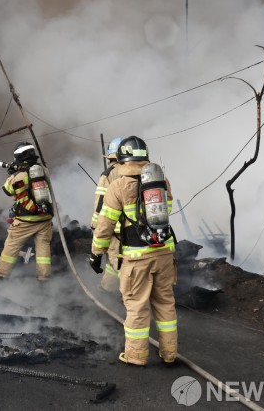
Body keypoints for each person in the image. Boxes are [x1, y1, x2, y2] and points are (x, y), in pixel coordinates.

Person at [91, 135, 177, 365]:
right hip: (164, 252)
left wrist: (96, 253)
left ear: (121, 159)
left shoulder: (118, 186)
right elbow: (167, 210)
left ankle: (136, 355)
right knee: (165, 304)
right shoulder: (162, 181)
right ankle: (169, 353)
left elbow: (105, 225)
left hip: (137, 256)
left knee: (137, 306)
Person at [0, 142, 53, 282]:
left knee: (12, 245)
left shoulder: (20, 176)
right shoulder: (42, 170)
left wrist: (13, 174)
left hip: (26, 219)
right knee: (43, 246)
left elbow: (7, 190)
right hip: (45, 217)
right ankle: (44, 276)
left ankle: (1, 274)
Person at [91, 137, 124, 292]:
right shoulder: (139, 171)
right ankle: (107, 289)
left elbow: (100, 205)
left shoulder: (108, 174)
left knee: (119, 263)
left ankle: (129, 298)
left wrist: (96, 227)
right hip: (136, 231)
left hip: (115, 230)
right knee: (114, 261)